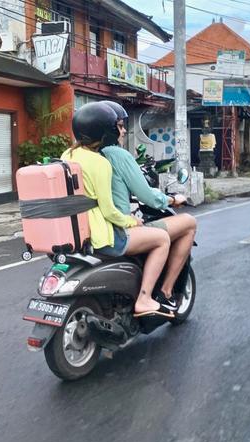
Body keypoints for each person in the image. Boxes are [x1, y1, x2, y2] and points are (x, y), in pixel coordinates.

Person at [61, 102, 173, 318]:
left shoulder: (68, 155)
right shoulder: (100, 162)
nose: (120, 131)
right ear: (106, 133)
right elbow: (109, 210)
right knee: (162, 239)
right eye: (117, 127)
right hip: (103, 237)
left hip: (76, 232)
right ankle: (144, 298)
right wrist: (131, 221)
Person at [98, 100, 197, 312]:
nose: (124, 131)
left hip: (94, 229)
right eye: (121, 126)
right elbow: (145, 195)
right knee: (188, 223)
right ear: (108, 129)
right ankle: (163, 292)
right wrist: (171, 199)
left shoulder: (80, 155)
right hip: (117, 229)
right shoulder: (116, 154)